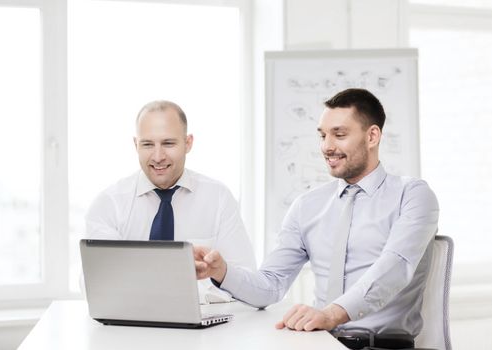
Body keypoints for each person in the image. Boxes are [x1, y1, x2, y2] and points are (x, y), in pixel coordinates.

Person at [195, 88, 439, 349]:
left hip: (380, 345)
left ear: (372, 136)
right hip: (318, 342)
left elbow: (395, 267)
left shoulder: (412, 195)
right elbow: (270, 286)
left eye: (339, 135)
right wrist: (221, 272)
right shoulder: (307, 206)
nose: (327, 146)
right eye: (323, 135)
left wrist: (330, 314)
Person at [85, 100, 256, 302]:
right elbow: (96, 280)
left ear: (188, 143)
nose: (158, 156)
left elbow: (247, 281)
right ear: (135, 145)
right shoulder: (109, 204)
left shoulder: (218, 198)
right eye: (147, 144)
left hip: (203, 327)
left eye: (168, 143)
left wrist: (218, 274)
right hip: (130, 327)